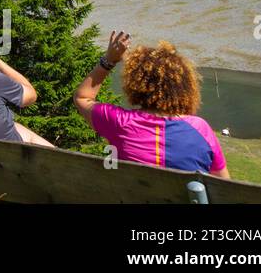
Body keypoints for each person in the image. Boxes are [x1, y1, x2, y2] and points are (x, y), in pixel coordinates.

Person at [74, 31, 229, 177]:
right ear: (185, 87)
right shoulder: (200, 129)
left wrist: (109, 60)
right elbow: (223, 188)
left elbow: (82, 97)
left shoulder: (119, 122)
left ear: (135, 83)